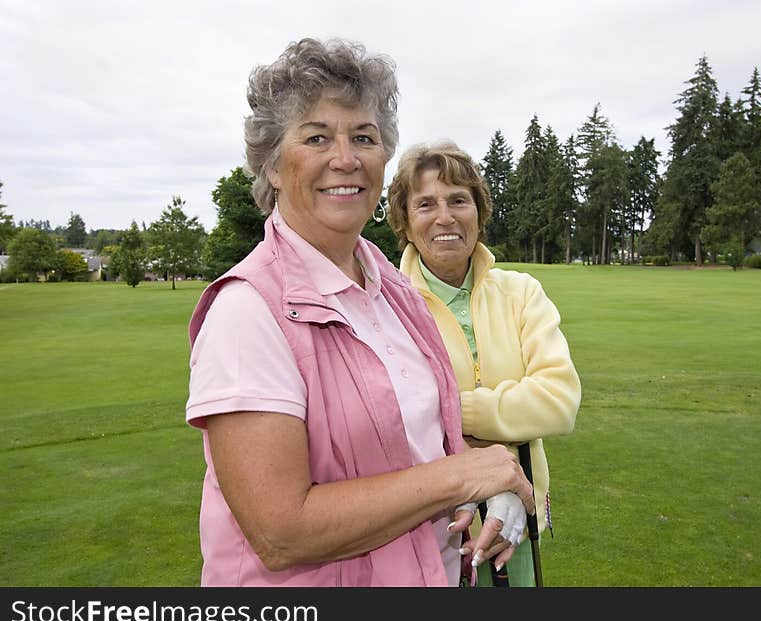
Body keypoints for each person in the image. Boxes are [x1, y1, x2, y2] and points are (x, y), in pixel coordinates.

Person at [185, 38, 534, 587]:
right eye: (317, 136)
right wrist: (459, 477)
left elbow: (411, 440)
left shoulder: (390, 285)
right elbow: (281, 532)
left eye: (364, 138)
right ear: (272, 167)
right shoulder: (246, 313)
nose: (346, 158)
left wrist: (491, 478)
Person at [387, 140, 582, 586]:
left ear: (479, 210)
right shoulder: (387, 304)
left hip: (518, 515)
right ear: (405, 220)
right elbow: (398, 423)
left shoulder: (521, 292)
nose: (445, 217)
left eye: (459, 200)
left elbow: (559, 400)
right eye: (425, 204)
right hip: (431, 525)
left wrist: (455, 410)